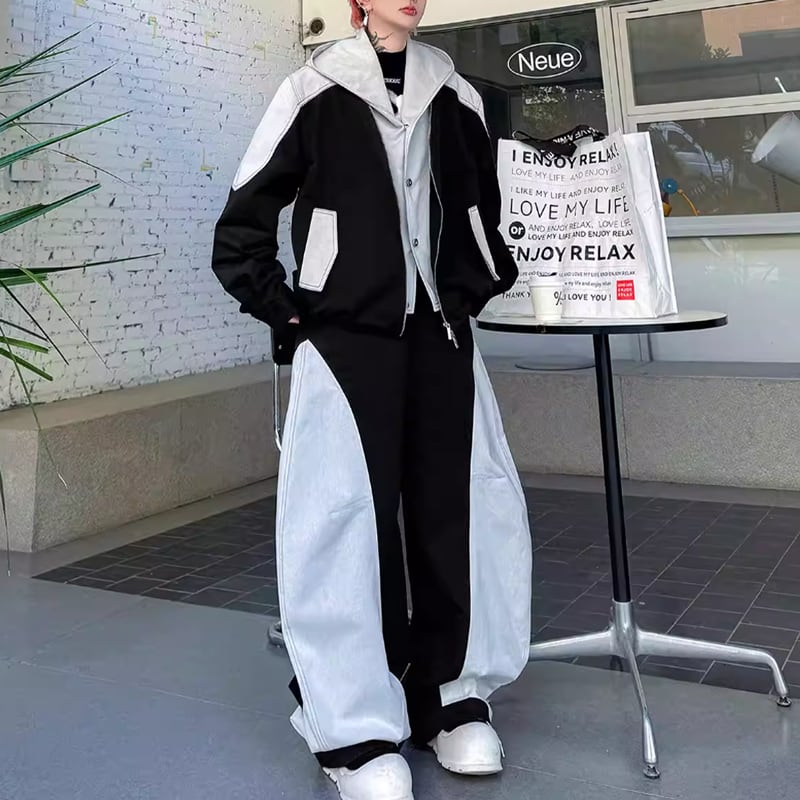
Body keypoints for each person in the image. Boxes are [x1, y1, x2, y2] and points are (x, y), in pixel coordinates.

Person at [211, 2, 532, 798]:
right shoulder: (312, 90)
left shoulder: (459, 95)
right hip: (346, 340)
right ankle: (353, 724)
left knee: (461, 513)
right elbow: (243, 223)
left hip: (443, 338)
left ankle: (452, 696)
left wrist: (476, 284)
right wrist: (293, 315)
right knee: (342, 523)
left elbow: (486, 212)